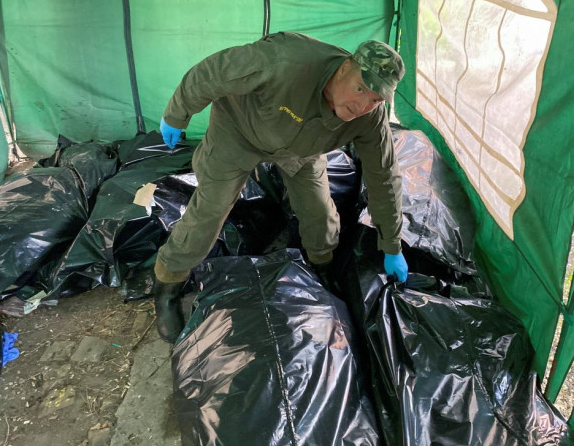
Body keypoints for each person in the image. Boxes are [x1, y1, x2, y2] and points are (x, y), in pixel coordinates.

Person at [154, 32, 408, 342]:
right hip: (238, 132)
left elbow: (383, 174)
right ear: (344, 68)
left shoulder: (370, 117)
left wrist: (392, 243)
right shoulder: (285, 62)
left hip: (302, 149)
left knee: (319, 212)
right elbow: (212, 72)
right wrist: (176, 113)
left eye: (376, 99)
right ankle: (169, 282)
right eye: (360, 88)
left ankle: (322, 267)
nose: (363, 104)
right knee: (211, 208)